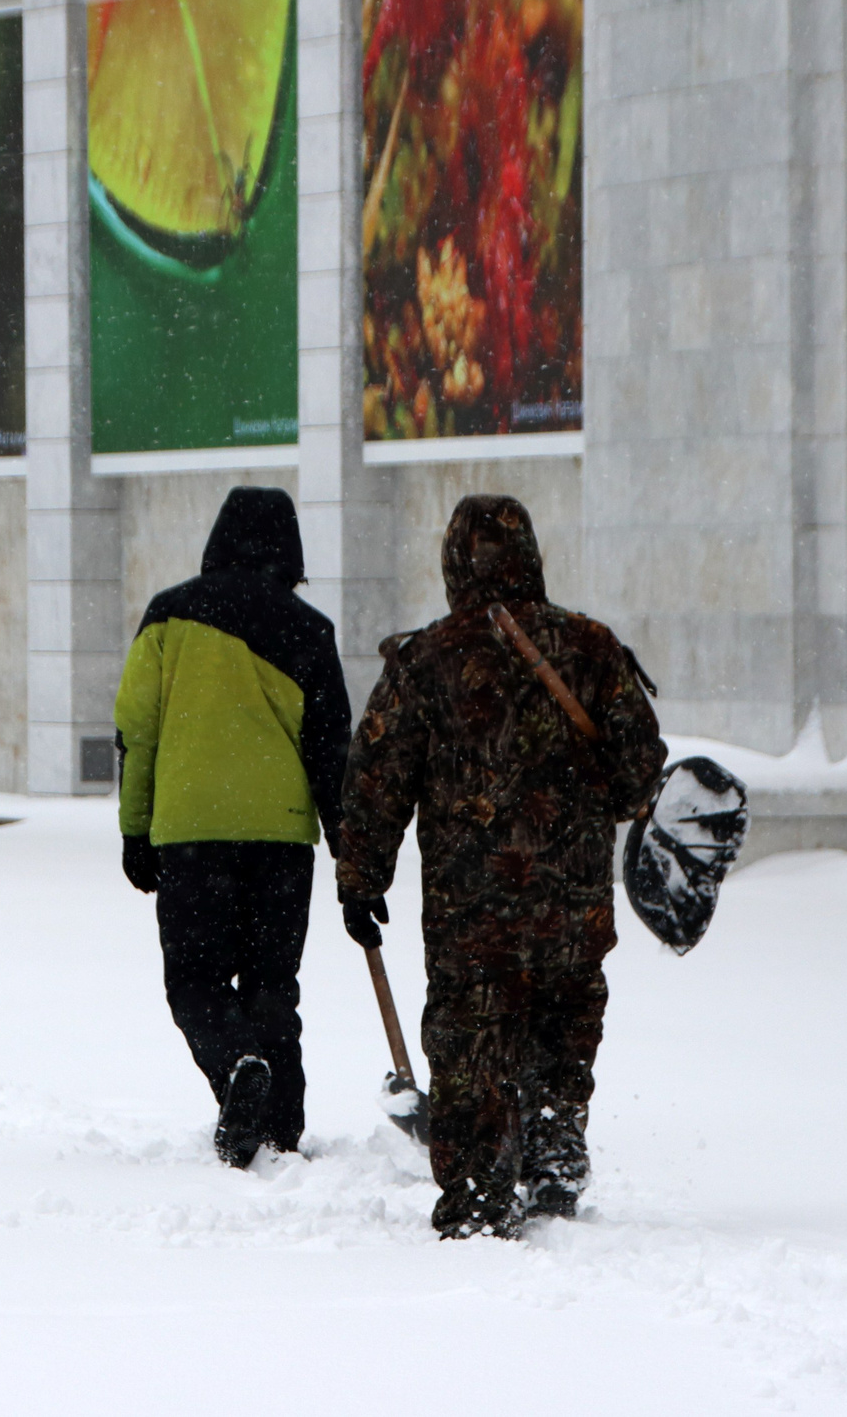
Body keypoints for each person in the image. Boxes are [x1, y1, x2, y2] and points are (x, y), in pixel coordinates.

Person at [335, 495, 665, 1238]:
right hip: (573, 910)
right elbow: (641, 770)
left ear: (453, 565)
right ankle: (553, 1146)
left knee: (474, 1047)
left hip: (472, 918)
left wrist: (361, 878)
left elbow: (376, 779)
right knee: (561, 1032)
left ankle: (482, 1193)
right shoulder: (591, 648)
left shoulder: (424, 662)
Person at [114, 486, 351, 1168]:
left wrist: (135, 828)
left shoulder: (169, 614)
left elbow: (139, 728)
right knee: (273, 984)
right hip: (281, 840)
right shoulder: (310, 630)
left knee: (196, 983)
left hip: (192, 831)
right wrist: (351, 855)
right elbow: (332, 749)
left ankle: (237, 1064)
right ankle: (280, 1129)